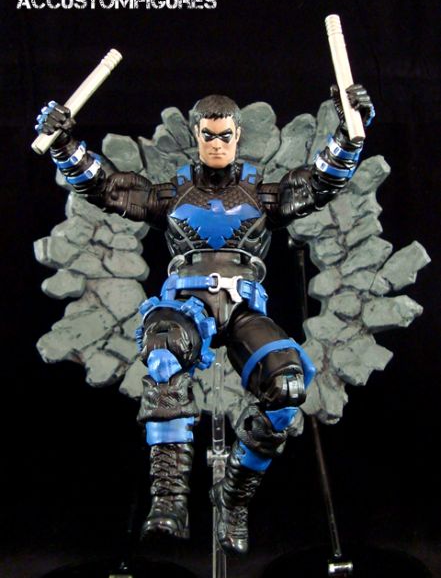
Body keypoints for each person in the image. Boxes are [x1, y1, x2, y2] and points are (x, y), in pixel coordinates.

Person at [35, 86, 374, 554]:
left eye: (225, 135)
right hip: (186, 304)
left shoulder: (261, 193)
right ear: (196, 135)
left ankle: (233, 495)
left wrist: (349, 134)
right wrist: (64, 145)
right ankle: (169, 499)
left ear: (238, 136)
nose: (217, 144)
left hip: (243, 309)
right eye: (208, 135)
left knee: (288, 385)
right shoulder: (173, 194)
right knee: (162, 349)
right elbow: (106, 188)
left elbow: (318, 185)